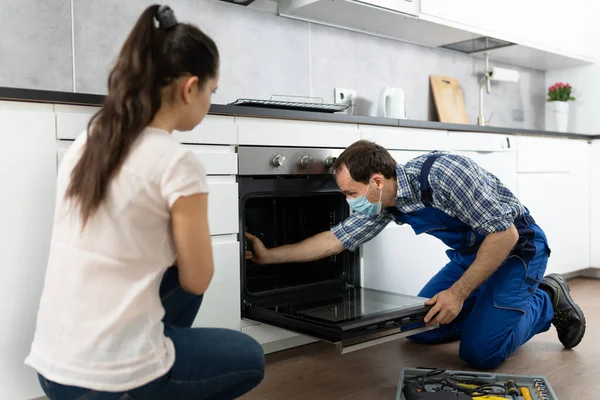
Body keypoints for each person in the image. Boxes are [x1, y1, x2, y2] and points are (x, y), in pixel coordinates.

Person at [25, 5, 264, 399]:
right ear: (190, 88)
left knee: (181, 287)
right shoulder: (177, 162)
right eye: (212, 91)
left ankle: (152, 348)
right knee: (250, 356)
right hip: (107, 380)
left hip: (53, 368)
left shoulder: (93, 140)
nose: (210, 102)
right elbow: (199, 276)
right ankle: (145, 379)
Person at [245, 140, 586, 369]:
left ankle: (547, 297)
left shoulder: (445, 175)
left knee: (480, 353)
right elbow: (334, 240)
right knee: (418, 328)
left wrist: (458, 292)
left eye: (350, 193)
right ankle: (491, 311)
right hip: (473, 257)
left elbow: (505, 233)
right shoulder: (384, 203)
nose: (349, 201)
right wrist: (268, 256)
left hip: (516, 250)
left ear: (376, 181)